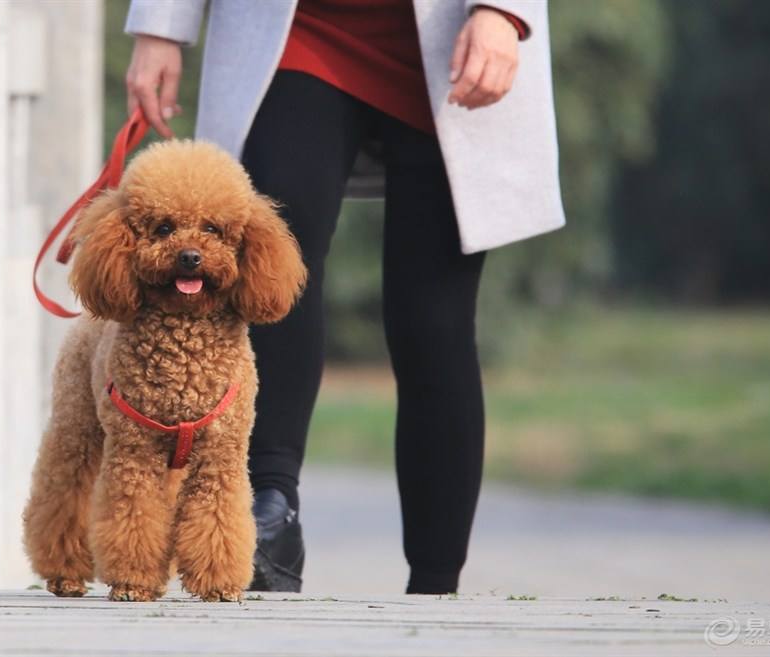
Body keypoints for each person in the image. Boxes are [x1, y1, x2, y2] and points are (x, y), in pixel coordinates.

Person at [123, 0, 565, 594]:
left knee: (431, 318)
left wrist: (500, 11)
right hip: (296, 29)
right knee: (270, 274)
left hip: (444, 32)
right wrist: (160, 25)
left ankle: (435, 585)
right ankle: (269, 515)